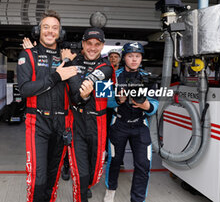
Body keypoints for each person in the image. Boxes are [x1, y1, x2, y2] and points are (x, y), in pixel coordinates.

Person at [17, 10, 77, 202]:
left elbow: (76, 92)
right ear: (38, 30)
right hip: (37, 122)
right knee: (38, 179)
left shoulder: (67, 57)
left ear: (60, 33)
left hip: (62, 123)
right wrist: (56, 77)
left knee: (52, 178)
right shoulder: (28, 54)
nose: (50, 31)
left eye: (54, 28)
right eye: (46, 27)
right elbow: (25, 89)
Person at [64, 27, 115, 202]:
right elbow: (75, 94)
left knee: (94, 173)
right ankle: (80, 191)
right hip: (76, 121)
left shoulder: (106, 67)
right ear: (83, 44)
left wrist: (72, 70)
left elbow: (81, 90)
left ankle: (85, 187)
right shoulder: (72, 62)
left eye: (97, 44)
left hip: (98, 122)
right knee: (80, 173)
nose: (93, 48)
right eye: (89, 43)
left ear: (102, 46)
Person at [104, 42, 159, 202]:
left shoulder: (148, 77)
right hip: (118, 124)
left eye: (137, 56)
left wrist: (146, 105)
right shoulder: (114, 76)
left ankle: (138, 198)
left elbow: (155, 105)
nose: (134, 59)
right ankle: (111, 189)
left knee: (144, 164)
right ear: (124, 58)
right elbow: (104, 101)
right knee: (114, 160)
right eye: (130, 56)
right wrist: (117, 100)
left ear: (141, 58)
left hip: (140, 125)